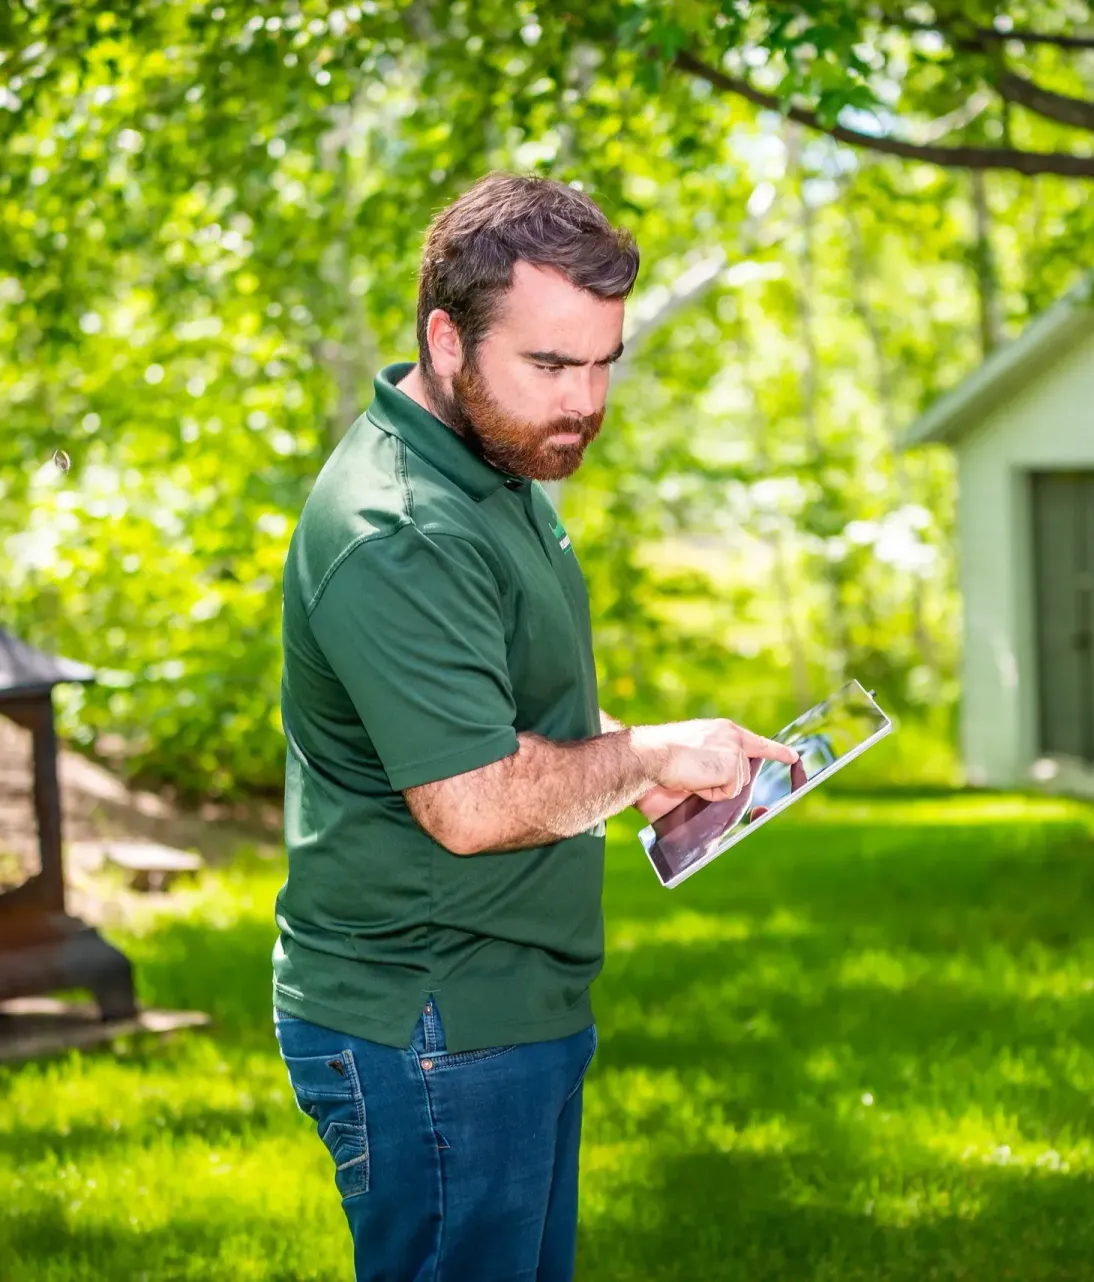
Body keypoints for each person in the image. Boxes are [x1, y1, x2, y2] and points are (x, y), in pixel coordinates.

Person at [270, 170, 798, 1282]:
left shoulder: (490, 467)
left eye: (604, 361)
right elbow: (468, 801)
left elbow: (506, 702)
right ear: (447, 342)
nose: (586, 400)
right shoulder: (401, 528)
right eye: (552, 364)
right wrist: (647, 752)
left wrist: (643, 770)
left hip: (505, 1003)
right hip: (433, 1020)